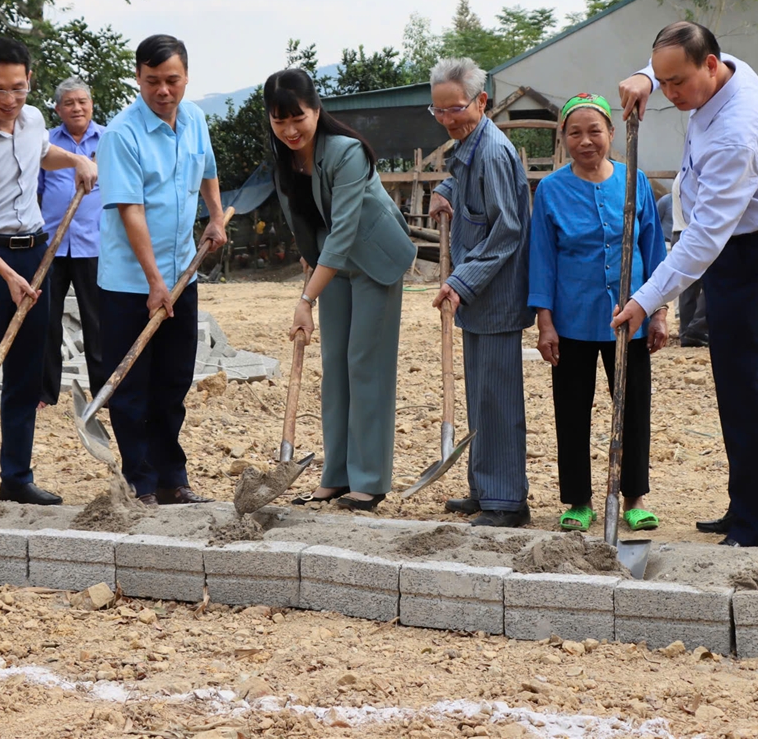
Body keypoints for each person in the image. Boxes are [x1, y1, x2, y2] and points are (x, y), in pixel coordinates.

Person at [612, 22, 758, 548]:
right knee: (731, 387)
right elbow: (673, 63)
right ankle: (746, 505)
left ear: (710, 66)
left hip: (754, 256)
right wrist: (644, 78)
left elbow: (703, 240)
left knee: (749, 389)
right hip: (729, 253)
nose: (670, 95)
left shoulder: (737, 132)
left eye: (677, 83)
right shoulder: (726, 70)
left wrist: (648, 300)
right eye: (663, 83)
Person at [0, 38, 98, 502]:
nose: (9, 101)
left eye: (18, 89)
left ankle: (17, 478)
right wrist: (5, 273)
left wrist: (75, 159)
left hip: (35, 253)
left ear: (30, 80)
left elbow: (41, 152)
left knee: (27, 368)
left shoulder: (32, 120)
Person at [266, 69, 416, 510]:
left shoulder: (347, 152)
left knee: (365, 364)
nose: (291, 130)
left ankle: (369, 480)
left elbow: (346, 228)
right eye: (280, 121)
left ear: (316, 110)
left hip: (375, 262)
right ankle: (337, 474)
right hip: (333, 267)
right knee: (335, 368)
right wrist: (310, 272)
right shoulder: (285, 164)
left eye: (299, 118)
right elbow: (307, 228)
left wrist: (305, 300)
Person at [529, 94, 669, 532]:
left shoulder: (635, 182)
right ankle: (578, 500)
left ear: (611, 133)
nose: (586, 141)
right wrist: (545, 321)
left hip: (631, 316)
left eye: (595, 131)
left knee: (632, 407)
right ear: (564, 139)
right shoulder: (551, 190)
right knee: (571, 409)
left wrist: (659, 311)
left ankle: (634, 497)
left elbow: (654, 248)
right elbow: (542, 259)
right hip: (572, 318)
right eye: (575, 132)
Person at [96, 35, 225, 505]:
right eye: (152, 81)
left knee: (173, 382)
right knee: (132, 388)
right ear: (138, 79)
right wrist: (154, 282)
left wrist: (214, 215)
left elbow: (207, 169)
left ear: (186, 77)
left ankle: (173, 478)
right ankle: (140, 482)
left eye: (172, 80)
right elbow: (131, 211)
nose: (163, 91)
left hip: (181, 275)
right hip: (131, 285)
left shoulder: (194, 120)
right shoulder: (121, 135)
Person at [427, 57, 533, 528]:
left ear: (482, 101)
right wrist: (443, 189)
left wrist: (459, 281)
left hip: (495, 296)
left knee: (497, 398)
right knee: (480, 396)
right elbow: (462, 179)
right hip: (477, 297)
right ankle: (484, 487)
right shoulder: (471, 144)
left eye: (456, 109)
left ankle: (506, 501)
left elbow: (507, 232)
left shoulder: (493, 151)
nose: (449, 119)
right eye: (439, 111)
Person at [37, 76, 106, 409]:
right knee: (46, 319)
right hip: (52, 243)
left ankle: (105, 392)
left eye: (82, 101)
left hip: (95, 244)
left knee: (98, 320)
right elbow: (34, 192)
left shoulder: (108, 140)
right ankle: (45, 393)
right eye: (69, 103)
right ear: (57, 109)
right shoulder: (46, 143)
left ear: (91, 104)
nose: (77, 108)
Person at [656, 178, 708, 347]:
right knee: (711, 283)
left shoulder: (681, 177)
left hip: (679, 232)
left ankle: (687, 332)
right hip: (694, 232)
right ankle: (697, 327)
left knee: (687, 289)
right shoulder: (697, 176)